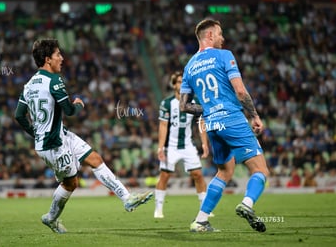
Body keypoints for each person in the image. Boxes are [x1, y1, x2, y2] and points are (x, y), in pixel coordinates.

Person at [14, 39, 153, 234]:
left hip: (57, 136)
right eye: (58, 55)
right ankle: (51, 218)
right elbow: (70, 110)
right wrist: (79, 103)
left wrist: (35, 133)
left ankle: (127, 198)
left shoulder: (28, 85)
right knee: (71, 183)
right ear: (47, 59)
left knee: (95, 159)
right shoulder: (54, 80)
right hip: (53, 144)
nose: (61, 58)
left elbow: (19, 115)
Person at [179, 19, 269, 233]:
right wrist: (254, 115)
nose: (223, 38)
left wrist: (209, 109)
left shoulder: (189, 66)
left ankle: (200, 220)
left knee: (224, 172)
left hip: (212, 124)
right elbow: (239, 91)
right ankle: (247, 204)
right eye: (220, 34)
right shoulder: (224, 55)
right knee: (260, 169)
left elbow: (183, 105)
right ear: (209, 35)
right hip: (232, 118)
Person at [154, 71, 210, 219]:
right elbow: (163, 126)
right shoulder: (167, 103)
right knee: (165, 175)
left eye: (183, 82)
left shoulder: (194, 101)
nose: (181, 84)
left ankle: (204, 209)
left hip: (187, 145)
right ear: (173, 85)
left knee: (198, 174)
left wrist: (204, 143)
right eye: (178, 82)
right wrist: (160, 147)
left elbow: (201, 123)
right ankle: (158, 208)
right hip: (170, 147)